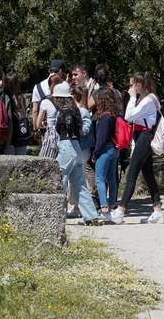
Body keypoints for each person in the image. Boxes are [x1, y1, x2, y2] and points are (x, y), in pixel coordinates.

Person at [41, 82, 100, 226]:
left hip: (67, 147)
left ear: (58, 98)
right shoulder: (74, 109)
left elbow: (68, 122)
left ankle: (53, 216)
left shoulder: (65, 109)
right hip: (76, 149)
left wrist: (68, 131)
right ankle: (91, 217)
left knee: (57, 181)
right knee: (80, 185)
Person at [110, 71, 164, 225]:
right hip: (142, 139)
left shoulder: (147, 100)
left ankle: (120, 211)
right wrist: (134, 145)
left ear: (138, 85)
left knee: (131, 175)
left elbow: (128, 116)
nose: (129, 88)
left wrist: (132, 97)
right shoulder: (148, 98)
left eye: (131, 85)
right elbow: (136, 124)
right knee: (148, 175)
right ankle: (158, 211)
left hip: (145, 138)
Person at [92, 87, 121, 220]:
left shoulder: (104, 116)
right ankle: (112, 206)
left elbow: (101, 138)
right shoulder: (114, 114)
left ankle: (104, 208)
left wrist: (95, 154)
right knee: (112, 179)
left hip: (105, 149)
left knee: (100, 178)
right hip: (115, 148)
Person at [71, 84, 97, 206]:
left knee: (78, 178)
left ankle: (79, 205)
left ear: (73, 96)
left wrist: (73, 129)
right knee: (76, 178)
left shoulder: (82, 111)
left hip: (82, 148)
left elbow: (86, 129)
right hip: (79, 148)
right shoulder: (78, 109)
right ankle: (76, 204)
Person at [32, 60, 66, 136]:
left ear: (49, 70)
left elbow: (34, 110)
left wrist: (35, 129)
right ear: (60, 71)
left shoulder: (37, 87)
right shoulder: (64, 86)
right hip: (61, 129)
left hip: (44, 128)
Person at [2, 72, 29, 155]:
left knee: (9, 159)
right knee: (21, 158)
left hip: (9, 132)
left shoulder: (3, 97)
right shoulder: (22, 97)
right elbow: (25, 114)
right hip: (21, 131)